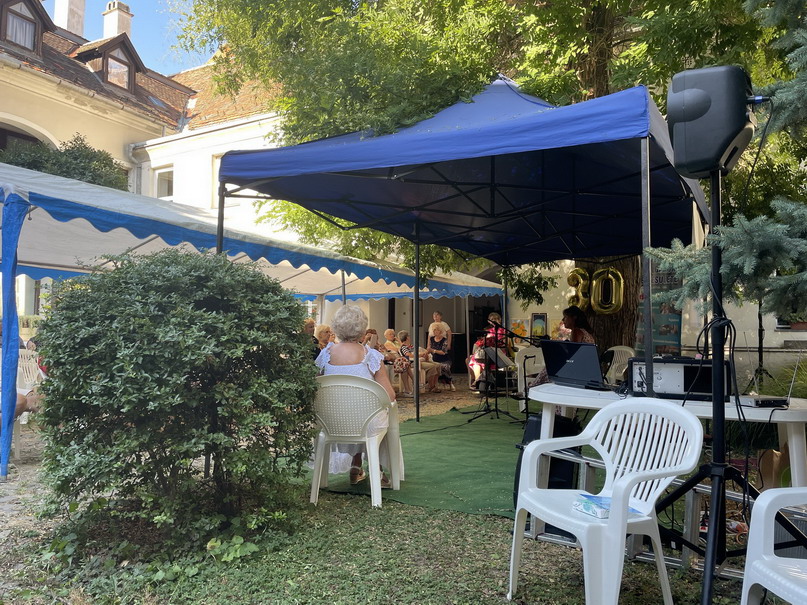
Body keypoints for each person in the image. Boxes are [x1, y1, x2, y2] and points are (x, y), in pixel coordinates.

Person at [315, 305, 396, 488]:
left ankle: (356, 466)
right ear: (362, 329)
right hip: (364, 422)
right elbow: (390, 395)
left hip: (331, 421)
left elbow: (316, 386)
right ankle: (377, 470)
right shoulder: (371, 355)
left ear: (336, 328)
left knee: (361, 411)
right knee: (377, 414)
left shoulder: (325, 354)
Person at [527, 305, 595, 388]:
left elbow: (572, 354)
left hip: (580, 369)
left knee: (551, 366)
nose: (563, 320)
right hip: (587, 368)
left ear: (574, 317)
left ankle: (532, 387)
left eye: (565, 317)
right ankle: (535, 384)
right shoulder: (583, 331)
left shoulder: (577, 331)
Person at [468, 312, 510, 389]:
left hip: (499, 351)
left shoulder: (503, 331)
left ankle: (478, 382)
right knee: (474, 360)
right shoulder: (488, 331)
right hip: (489, 351)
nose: (494, 321)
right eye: (492, 319)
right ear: (489, 321)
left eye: (496, 319)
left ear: (499, 320)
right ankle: (478, 381)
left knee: (478, 359)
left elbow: (505, 343)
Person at [427, 324, 455, 391]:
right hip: (434, 359)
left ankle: (450, 383)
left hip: (444, 359)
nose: (435, 332)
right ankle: (432, 385)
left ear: (440, 331)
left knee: (445, 367)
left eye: (437, 330)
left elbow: (443, 352)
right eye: (434, 330)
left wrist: (433, 350)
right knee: (432, 367)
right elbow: (428, 349)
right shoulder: (431, 339)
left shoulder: (444, 340)